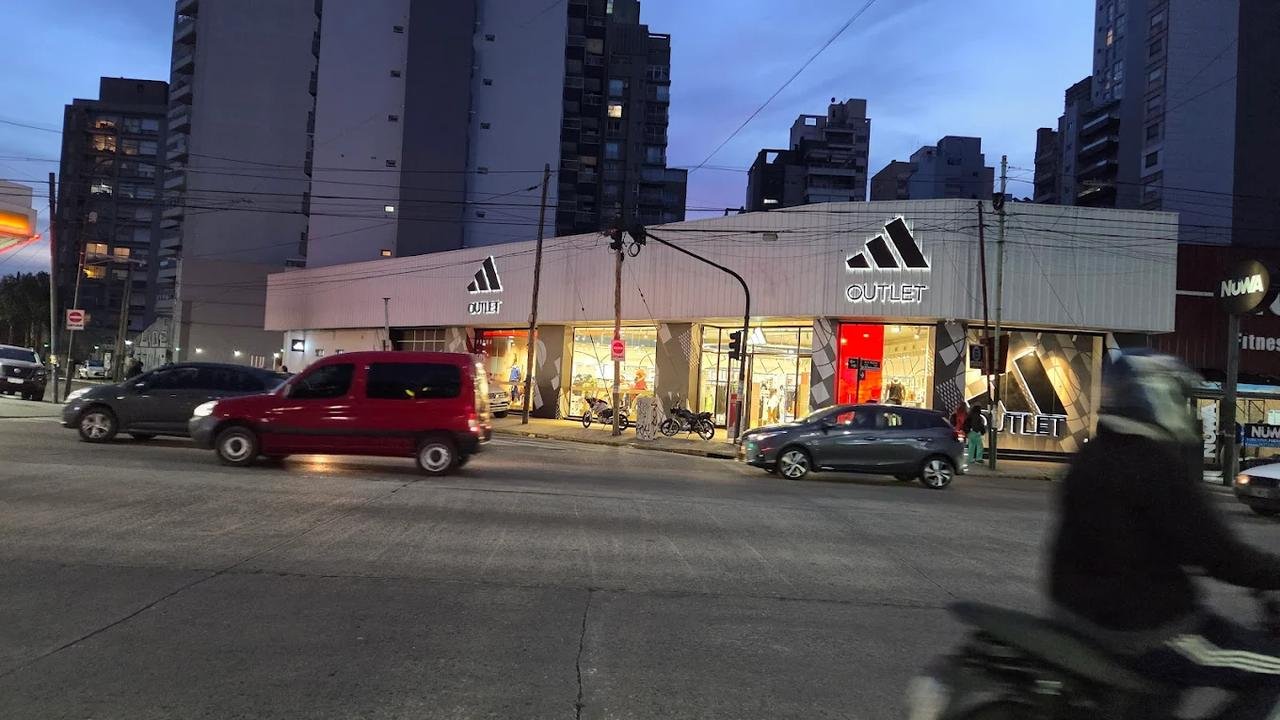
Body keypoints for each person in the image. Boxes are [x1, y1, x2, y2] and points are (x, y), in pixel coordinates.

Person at [1049, 351, 1280, 717]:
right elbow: (1217, 553)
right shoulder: (1155, 465)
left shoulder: (1093, 456)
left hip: (1079, 613)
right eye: (1178, 396)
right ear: (1154, 394)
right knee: (1273, 669)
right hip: (1147, 628)